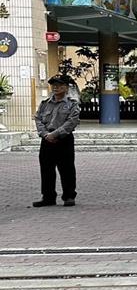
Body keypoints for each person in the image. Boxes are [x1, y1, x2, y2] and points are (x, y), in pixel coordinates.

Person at [33, 75, 80, 207]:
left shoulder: (72, 104)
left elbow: (71, 122)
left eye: (59, 85)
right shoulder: (45, 104)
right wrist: (45, 134)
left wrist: (54, 134)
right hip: (47, 140)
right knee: (46, 170)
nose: (55, 87)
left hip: (63, 140)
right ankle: (48, 197)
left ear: (66, 87)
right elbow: (38, 119)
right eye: (53, 85)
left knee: (67, 169)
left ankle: (69, 196)